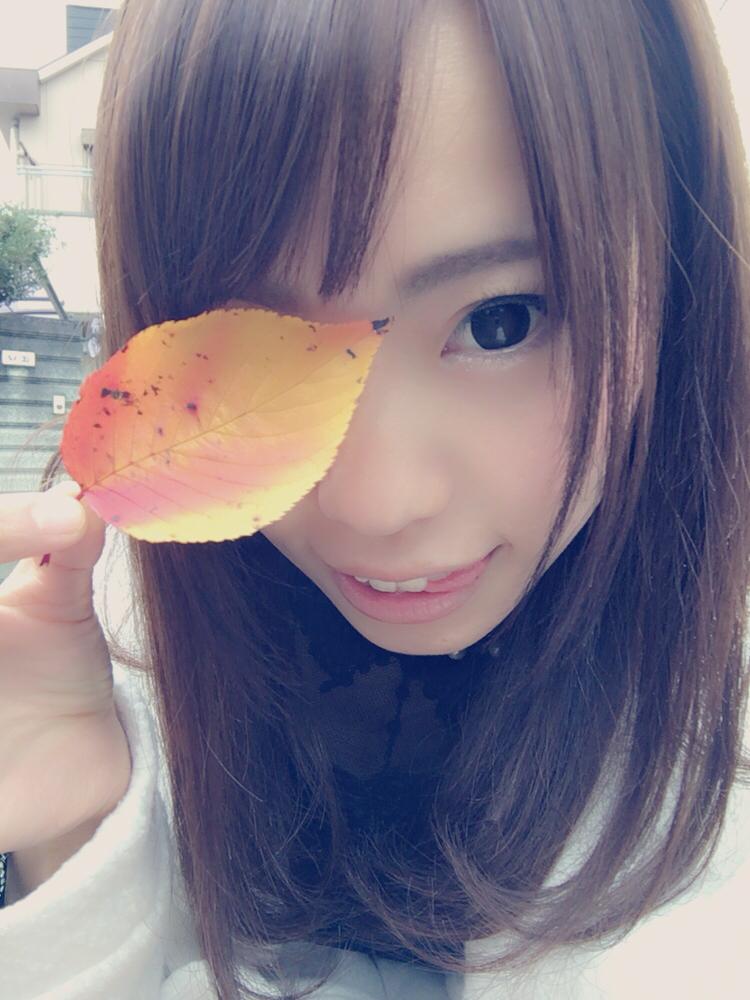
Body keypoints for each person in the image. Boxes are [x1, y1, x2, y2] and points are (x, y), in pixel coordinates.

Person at [0, 0, 749, 997]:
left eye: (502, 321)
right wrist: (73, 844)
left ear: (682, 277)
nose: (375, 505)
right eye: (252, 354)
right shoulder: (97, 633)